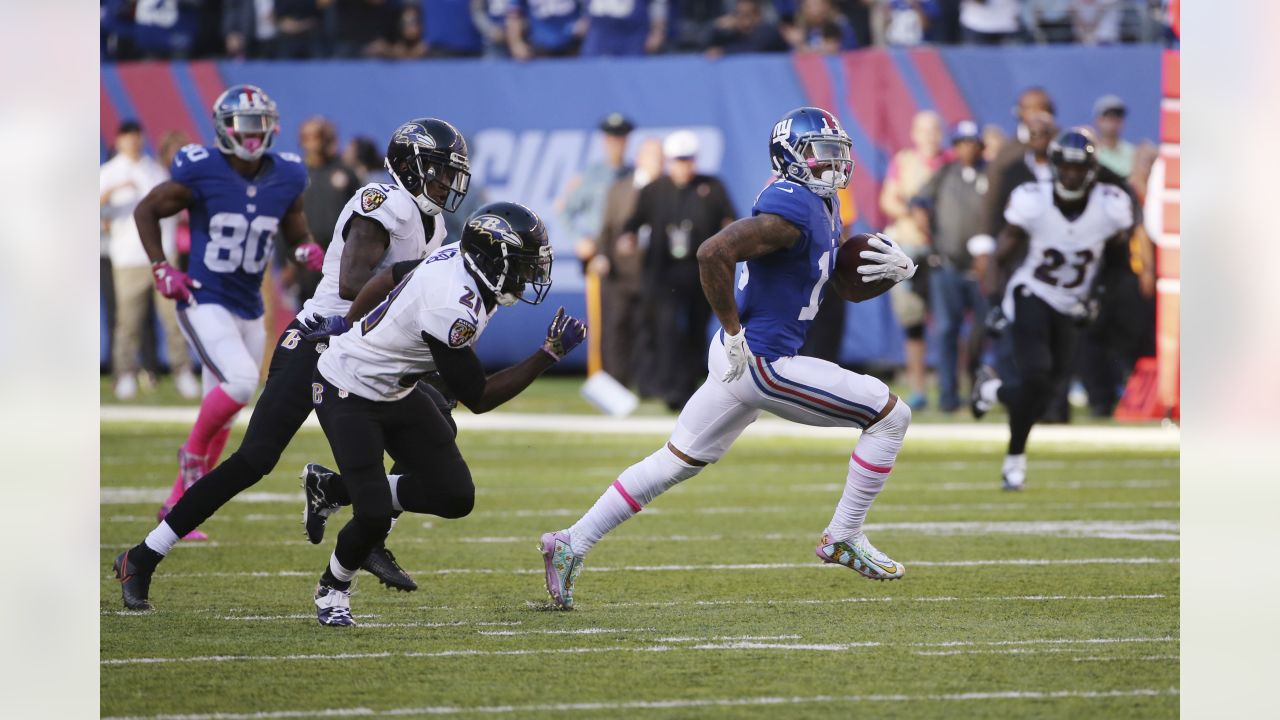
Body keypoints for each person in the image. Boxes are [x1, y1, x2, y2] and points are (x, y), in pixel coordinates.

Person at [540, 107, 918, 611]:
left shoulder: (820, 205)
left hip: (739, 360)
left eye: (836, 154)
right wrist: (736, 331)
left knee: (675, 461)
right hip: (763, 360)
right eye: (821, 154)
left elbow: (831, 286)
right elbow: (711, 252)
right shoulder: (793, 208)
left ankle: (571, 541)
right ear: (791, 157)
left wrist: (887, 271)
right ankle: (843, 534)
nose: (833, 165)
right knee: (891, 415)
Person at [112, 118, 470, 611]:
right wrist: (422, 279)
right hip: (321, 340)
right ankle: (143, 556)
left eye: (452, 175)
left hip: (368, 353)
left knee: (438, 415)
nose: (447, 185)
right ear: (410, 168)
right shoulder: (383, 204)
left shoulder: (433, 221)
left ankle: (358, 516)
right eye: (440, 173)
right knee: (254, 459)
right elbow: (352, 284)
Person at [303, 202, 585, 625]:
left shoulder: (459, 257)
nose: (529, 276)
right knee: (375, 513)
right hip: (348, 389)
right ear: (494, 261)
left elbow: (390, 277)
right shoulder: (453, 306)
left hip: (396, 388)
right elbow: (480, 395)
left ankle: (332, 488)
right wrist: (549, 354)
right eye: (524, 265)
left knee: (455, 495)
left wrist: (350, 322)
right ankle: (332, 588)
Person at [124, 85, 320, 551]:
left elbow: (292, 222)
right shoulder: (201, 168)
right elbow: (147, 209)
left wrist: (304, 246)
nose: (254, 135)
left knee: (227, 407)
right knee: (239, 383)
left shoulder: (287, 174)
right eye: (245, 125)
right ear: (225, 128)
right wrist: (161, 266)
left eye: (261, 125)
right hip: (204, 295)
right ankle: (191, 455)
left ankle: (178, 506)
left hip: (250, 304)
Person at [970, 128, 1134, 490]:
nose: (1072, 174)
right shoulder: (1033, 200)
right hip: (1033, 292)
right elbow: (1001, 254)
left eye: (1080, 168)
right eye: (1066, 166)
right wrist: (996, 303)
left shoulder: (1111, 206)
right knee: (1037, 375)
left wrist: (1097, 296)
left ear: (1091, 169)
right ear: (1055, 166)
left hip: (1071, 302)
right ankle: (1014, 462)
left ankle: (992, 392)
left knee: (1043, 394)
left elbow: (1120, 262)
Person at [623, 130, 737, 409]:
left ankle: (687, 385)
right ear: (669, 161)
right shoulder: (654, 190)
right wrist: (627, 238)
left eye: (688, 160)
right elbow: (633, 222)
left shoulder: (711, 187)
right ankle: (669, 387)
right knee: (666, 327)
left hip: (701, 273)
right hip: (663, 274)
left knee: (696, 330)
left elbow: (731, 221)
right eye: (677, 160)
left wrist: (730, 242)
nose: (683, 166)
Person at [100, 120, 199, 401]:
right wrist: (111, 194)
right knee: (128, 320)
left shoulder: (154, 169)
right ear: (119, 141)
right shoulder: (109, 172)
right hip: (128, 257)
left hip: (163, 255)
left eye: (136, 136)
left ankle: (182, 371)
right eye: (127, 137)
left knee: (173, 317)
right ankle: (126, 373)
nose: (132, 141)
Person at [911, 120, 990, 413]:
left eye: (972, 142)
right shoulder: (945, 173)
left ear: (980, 145)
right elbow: (919, 201)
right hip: (947, 265)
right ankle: (947, 397)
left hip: (982, 269)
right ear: (955, 147)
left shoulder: (991, 172)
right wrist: (926, 229)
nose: (967, 148)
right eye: (961, 143)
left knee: (982, 333)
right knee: (946, 331)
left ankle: (977, 391)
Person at [880, 109, 945, 410]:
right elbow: (888, 200)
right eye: (924, 130)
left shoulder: (949, 163)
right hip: (910, 246)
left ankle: (951, 387)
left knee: (949, 322)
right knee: (913, 322)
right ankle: (918, 387)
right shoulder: (904, 162)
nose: (929, 135)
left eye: (934, 129)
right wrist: (914, 215)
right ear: (914, 134)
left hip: (943, 249)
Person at [594, 138, 665, 387]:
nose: (659, 162)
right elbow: (606, 229)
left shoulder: (667, 190)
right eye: (653, 157)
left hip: (653, 273)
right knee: (615, 327)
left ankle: (645, 384)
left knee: (647, 330)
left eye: (661, 157)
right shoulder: (619, 190)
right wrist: (602, 256)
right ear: (640, 159)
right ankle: (614, 383)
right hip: (619, 272)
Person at [295, 117, 360, 303]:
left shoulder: (345, 172)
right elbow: (288, 216)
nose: (314, 142)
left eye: (319, 135)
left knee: (340, 310)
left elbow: (362, 214)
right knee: (306, 310)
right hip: (307, 256)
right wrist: (286, 261)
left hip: (341, 257)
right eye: (308, 137)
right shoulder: (298, 175)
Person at [560, 113, 634, 272]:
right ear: (604, 141)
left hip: (628, 253)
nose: (615, 143)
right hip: (598, 249)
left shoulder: (635, 175)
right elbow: (564, 210)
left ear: (626, 141)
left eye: (620, 137)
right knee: (599, 296)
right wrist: (578, 239)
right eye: (611, 137)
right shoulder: (591, 175)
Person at [580, 0, 667, 56]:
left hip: (632, 37)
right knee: (595, 75)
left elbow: (657, 3)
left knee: (631, 77)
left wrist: (657, 32)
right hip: (599, 36)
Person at [704, 0, 788, 57]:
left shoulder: (768, 31)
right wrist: (718, 28)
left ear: (757, 17)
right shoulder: (736, 32)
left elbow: (753, 49)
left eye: (746, 15)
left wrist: (723, 51)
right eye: (738, 14)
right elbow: (708, 44)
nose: (740, 19)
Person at [507, 0, 584, 59]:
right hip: (539, 49)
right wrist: (516, 43)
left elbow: (590, 9)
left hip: (573, 46)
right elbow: (514, 14)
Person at [1091, 94, 1135, 178]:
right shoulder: (1091, 152)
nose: (1113, 121)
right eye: (1109, 116)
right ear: (1098, 121)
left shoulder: (1133, 153)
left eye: (1118, 116)